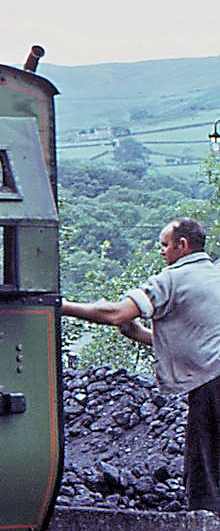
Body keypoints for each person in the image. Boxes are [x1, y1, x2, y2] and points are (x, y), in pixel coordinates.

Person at [61, 218, 220, 511]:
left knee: (204, 466)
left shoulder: (173, 278)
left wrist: (63, 306)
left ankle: (205, 526)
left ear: (182, 245)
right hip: (212, 374)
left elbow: (117, 314)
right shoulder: (214, 274)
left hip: (211, 382)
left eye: (164, 245)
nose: (161, 251)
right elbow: (194, 339)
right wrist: (138, 334)